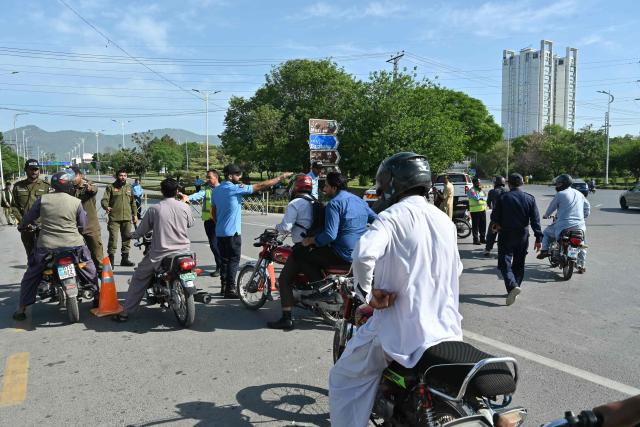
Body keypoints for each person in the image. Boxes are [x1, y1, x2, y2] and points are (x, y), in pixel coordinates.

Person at [328, 152, 463, 427]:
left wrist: (367, 294)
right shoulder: (444, 221)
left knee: (342, 377)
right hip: (447, 331)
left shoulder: (391, 217)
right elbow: (457, 269)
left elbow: (364, 255)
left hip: (400, 332)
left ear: (391, 183)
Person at [268, 172, 377, 330]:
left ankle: (321, 291)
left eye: (326, 186)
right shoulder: (359, 201)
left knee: (299, 253)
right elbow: (376, 219)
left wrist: (310, 240)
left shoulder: (335, 203)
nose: (324, 189)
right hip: (359, 251)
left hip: (341, 253)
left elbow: (329, 235)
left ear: (334, 187)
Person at [12, 171, 97, 321]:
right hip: (74, 246)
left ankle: (22, 308)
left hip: (47, 247)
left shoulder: (42, 200)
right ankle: (98, 295)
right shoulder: (76, 202)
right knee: (89, 267)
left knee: (32, 274)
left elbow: (28, 218)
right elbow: (82, 225)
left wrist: (23, 226)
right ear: (69, 185)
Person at [112, 178, 194, 322]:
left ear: (162, 192)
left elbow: (142, 230)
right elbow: (191, 223)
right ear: (177, 191)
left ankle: (125, 312)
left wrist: (132, 235)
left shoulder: (155, 209)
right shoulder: (184, 206)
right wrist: (185, 202)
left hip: (161, 254)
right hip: (184, 252)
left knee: (139, 277)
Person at [212, 164, 293, 298]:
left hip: (220, 232)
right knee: (233, 260)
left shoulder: (216, 190)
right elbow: (260, 186)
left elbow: (213, 212)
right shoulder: (234, 188)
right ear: (230, 176)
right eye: (237, 175)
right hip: (232, 233)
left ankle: (223, 287)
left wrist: (220, 224)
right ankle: (230, 289)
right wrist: (281, 177)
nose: (239, 177)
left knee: (224, 261)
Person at [266, 174, 315, 330]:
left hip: (301, 247)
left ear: (295, 187)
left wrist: (276, 228)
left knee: (284, 280)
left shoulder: (295, 203)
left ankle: (286, 318)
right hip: (316, 246)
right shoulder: (314, 201)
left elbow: (286, 227)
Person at [491, 173, 543, 306]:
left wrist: (496, 225)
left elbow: (494, 216)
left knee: (504, 262)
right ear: (522, 183)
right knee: (519, 262)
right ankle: (515, 287)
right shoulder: (530, 199)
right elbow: (535, 220)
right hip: (522, 235)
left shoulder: (503, 197)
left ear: (509, 184)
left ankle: (512, 286)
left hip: (506, 234)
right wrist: (538, 238)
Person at [537, 174, 590, 273]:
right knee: (581, 244)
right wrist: (584, 216)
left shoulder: (560, 194)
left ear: (562, 184)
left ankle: (544, 250)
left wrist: (546, 215)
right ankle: (581, 265)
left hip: (563, 226)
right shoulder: (580, 194)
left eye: (558, 184)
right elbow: (587, 207)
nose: (556, 186)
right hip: (580, 226)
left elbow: (551, 207)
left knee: (547, 233)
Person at [183, 169, 222, 280]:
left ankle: (222, 266)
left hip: (221, 221)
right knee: (214, 245)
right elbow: (198, 195)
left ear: (216, 177)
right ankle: (220, 265)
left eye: (209, 177)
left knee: (220, 245)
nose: (207, 179)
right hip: (209, 222)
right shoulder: (207, 189)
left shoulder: (223, 189)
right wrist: (188, 197)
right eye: (207, 177)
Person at [68, 167, 104, 275]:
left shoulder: (87, 185)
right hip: (73, 227)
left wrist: (89, 188)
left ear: (81, 175)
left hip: (90, 226)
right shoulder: (68, 188)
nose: (72, 178)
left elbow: (94, 189)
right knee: (72, 255)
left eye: (74, 175)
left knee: (97, 255)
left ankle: (103, 279)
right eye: (70, 176)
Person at [11, 159, 50, 256]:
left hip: (43, 227)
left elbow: (52, 206)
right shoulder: (18, 186)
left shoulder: (46, 186)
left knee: (46, 256)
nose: (34, 172)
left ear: (39, 170)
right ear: (26, 170)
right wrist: (23, 221)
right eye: (31, 169)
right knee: (31, 256)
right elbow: (14, 206)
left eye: (36, 169)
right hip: (26, 228)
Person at [100, 168, 137, 267]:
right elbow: (104, 200)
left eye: (125, 175)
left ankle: (124, 259)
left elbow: (133, 202)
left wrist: (135, 215)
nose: (123, 177)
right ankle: (111, 261)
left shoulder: (129, 187)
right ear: (117, 176)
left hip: (127, 218)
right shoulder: (111, 187)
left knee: (127, 239)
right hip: (114, 218)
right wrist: (106, 206)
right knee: (113, 239)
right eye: (121, 175)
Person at [484, 176, 507, 256]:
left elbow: (488, 204)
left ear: (496, 183)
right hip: (506, 217)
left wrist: (492, 206)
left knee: (491, 233)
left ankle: (488, 249)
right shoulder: (508, 191)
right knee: (505, 234)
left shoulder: (492, 192)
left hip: (496, 217)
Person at [467, 176, 487, 245]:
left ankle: (482, 238)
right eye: (478, 182)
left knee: (483, 225)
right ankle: (475, 240)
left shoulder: (481, 190)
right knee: (475, 226)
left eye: (479, 182)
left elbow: (486, 198)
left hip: (482, 210)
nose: (479, 183)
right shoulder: (471, 190)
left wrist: (482, 197)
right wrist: (482, 197)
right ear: (474, 183)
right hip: (475, 211)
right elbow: (476, 198)